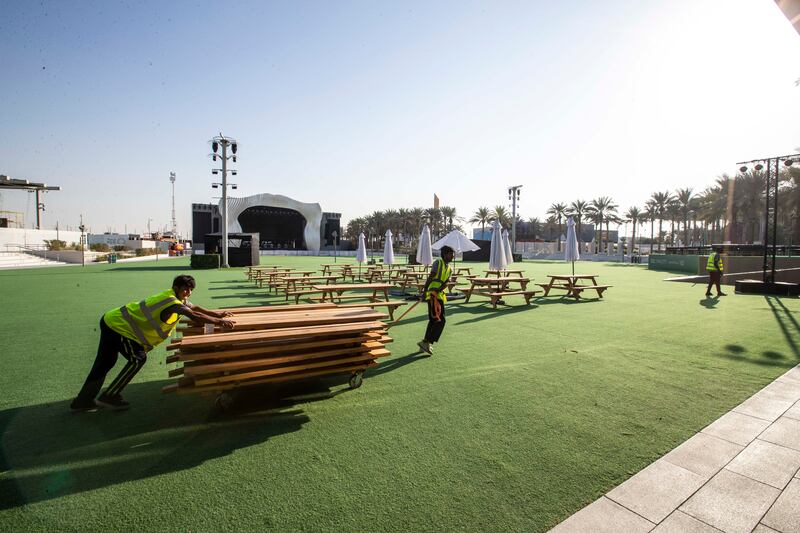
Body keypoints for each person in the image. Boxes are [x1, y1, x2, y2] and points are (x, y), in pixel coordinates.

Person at [71, 274, 234, 411]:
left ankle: (82, 402)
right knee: (137, 359)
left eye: (191, 290)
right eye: (186, 289)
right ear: (176, 288)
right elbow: (194, 316)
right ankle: (109, 396)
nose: (188, 293)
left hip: (113, 322)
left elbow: (195, 308)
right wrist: (219, 322)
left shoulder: (177, 298)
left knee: (105, 363)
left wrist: (217, 315)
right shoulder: (172, 302)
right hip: (119, 327)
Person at [417, 246, 455, 355]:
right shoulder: (438, 263)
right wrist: (424, 292)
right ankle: (426, 342)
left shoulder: (450, 268)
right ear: (445, 254)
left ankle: (425, 343)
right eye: (451, 254)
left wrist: (440, 289)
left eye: (453, 254)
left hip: (439, 295)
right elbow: (430, 277)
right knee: (439, 320)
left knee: (434, 320)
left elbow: (447, 282)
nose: (452, 256)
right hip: (432, 296)